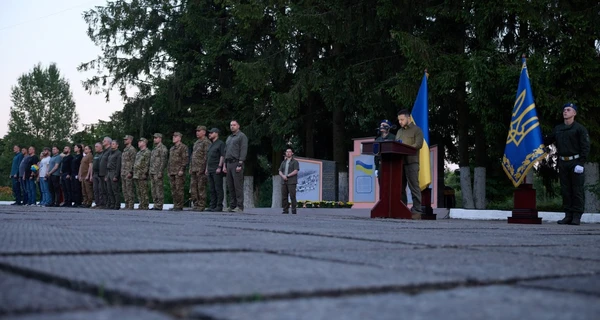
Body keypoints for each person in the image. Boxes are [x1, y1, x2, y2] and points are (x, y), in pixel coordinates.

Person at [544, 103, 591, 225]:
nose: (565, 112)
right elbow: (547, 141)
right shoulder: (558, 128)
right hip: (562, 162)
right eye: (564, 110)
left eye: (568, 110)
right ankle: (568, 215)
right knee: (565, 190)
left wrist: (581, 163)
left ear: (574, 113)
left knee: (577, 190)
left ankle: (576, 216)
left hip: (575, 163)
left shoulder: (579, 129)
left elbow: (585, 147)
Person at [396, 109, 424, 220]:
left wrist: (405, 148)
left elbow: (419, 144)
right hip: (400, 162)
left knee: (414, 187)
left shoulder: (417, 130)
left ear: (408, 118)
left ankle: (417, 211)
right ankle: (403, 209)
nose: (400, 122)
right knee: (400, 188)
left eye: (402, 119)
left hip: (412, 162)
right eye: (399, 120)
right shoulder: (399, 132)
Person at [224, 120, 248, 213]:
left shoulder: (242, 136)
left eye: (234, 125)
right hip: (229, 163)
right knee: (230, 186)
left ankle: (239, 206)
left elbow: (243, 149)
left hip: (236, 162)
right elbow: (226, 151)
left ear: (238, 126)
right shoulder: (229, 138)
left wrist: (240, 163)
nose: (232, 127)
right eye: (231, 125)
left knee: (237, 185)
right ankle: (232, 205)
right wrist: (225, 165)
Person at [205, 128, 226, 212]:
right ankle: (212, 205)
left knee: (218, 188)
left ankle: (219, 205)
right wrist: (206, 168)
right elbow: (208, 158)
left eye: (211, 133)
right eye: (209, 133)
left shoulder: (220, 144)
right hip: (210, 169)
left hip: (216, 168)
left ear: (216, 134)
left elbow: (222, 155)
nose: (209, 134)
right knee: (212, 188)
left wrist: (219, 166)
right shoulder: (210, 145)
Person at [190, 126, 210, 211]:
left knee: (201, 187)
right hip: (194, 168)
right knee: (193, 187)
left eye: (199, 131)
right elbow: (193, 156)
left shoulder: (206, 142)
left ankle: (201, 205)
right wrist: (190, 167)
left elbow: (207, 156)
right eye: (196, 131)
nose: (197, 132)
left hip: (201, 168)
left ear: (204, 132)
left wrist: (204, 168)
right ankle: (196, 204)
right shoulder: (196, 142)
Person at [168, 132, 189, 211]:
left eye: (176, 136)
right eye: (173, 136)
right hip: (172, 171)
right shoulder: (172, 148)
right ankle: (175, 204)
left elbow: (185, 159)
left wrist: (182, 169)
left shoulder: (183, 147)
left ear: (179, 138)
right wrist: (169, 170)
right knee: (173, 189)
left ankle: (179, 205)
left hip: (178, 171)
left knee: (179, 189)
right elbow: (170, 160)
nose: (174, 138)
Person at [150, 133, 168, 210]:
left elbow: (163, 161)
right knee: (153, 189)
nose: (154, 139)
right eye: (154, 138)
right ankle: (155, 204)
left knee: (159, 189)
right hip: (152, 171)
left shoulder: (163, 148)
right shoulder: (155, 149)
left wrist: (160, 171)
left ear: (160, 138)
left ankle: (159, 204)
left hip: (157, 171)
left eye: (156, 138)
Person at [278, 148, 300, 214]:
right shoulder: (283, 162)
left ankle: (293, 210)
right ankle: (285, 210)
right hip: (284, 181)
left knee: (292, 196)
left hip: (292, 181)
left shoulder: (295, 162)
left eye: (289, 152)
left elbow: (296, 171)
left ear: (292, 153)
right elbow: (280, 171)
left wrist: (287, 176)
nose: (288, 153)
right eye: (287, 152)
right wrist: (283, 176)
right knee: (284, 196)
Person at [133, 138, 151, 210]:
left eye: (140, 142)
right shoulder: (139, 152)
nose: (138, 143)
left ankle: (145, 205)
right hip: (137, 174)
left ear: (144, 143)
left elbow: (147, 163)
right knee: (139, 190)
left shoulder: (147, 152)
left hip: (142, 174)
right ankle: (141, 204)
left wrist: (145, 173)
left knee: (144, 190)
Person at [121, 135, 137, 210]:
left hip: (128, 172)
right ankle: (127, 204)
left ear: (130, 140)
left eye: (126, 139)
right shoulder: (125, 150)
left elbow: (134, 161)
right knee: (124, 189)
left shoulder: (132, 150)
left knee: (129, 189)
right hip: (123, 172)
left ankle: (131, 205)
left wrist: (131, 172)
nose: (125, 140)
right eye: (124, 139)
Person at [106, 140, 122, 210]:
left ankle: (117, 204)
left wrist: (116, 175)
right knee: (109, 190)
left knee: (115, 189)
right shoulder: (110, 153)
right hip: (109, 172)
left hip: (114, 172)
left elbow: (118, 165)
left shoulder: (118, 153)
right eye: (111, 144)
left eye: (113, 144)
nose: (112, 145)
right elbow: (107, 164)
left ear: (117, 145)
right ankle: (112, 204)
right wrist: (107, 175)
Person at [98, 137, 112, 209]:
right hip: (101, 173)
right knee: (102, 189)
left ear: (109, 142)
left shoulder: (110, 151)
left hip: (106, 173)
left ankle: (109, 204)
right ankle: (104, 203)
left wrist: (107, 174)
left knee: (108, 190)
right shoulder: (104, 151)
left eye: (104, 141)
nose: (103, 141)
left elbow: (109, 163)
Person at [92, 143, 104, 208]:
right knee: (95, 189)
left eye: (96, 146)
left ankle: (101, 203)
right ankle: (97, 203)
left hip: (100, 174)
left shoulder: (103, 154)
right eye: (95, 146)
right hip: (95, 174)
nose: (95, 148)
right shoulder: (96, 155)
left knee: (100, 189)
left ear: (101, 147)